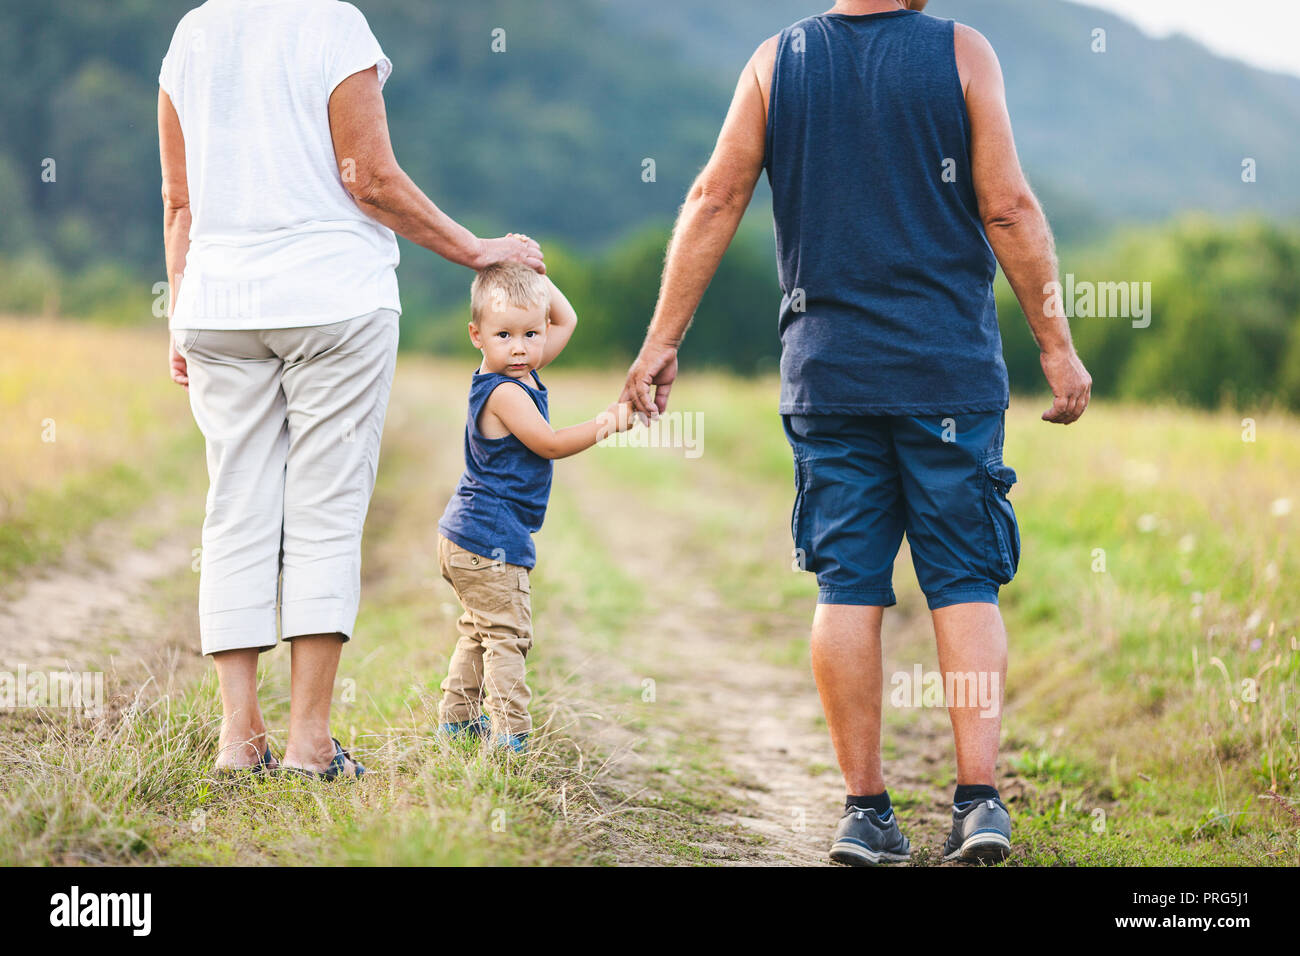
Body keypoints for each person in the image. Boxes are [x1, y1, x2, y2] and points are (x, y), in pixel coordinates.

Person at [620, 0, 1092, 864]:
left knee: (846, 584)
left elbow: (714, 196)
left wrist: (661, 341)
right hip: (947, 372)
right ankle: (980, 803)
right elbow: (1012, 209)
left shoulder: (776, 61)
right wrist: (1056, 345)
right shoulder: (962, 51)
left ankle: (864, 813)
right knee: (965, 582)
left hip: (828, 374)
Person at [158, 0, 543, 778]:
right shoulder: (333, 23)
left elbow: (180, 203)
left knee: (234, 507)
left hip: (217, 305)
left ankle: (239, 741)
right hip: (332, 299)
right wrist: (478, 251)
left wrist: (179, 308)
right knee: (325, 512)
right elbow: (367, 177)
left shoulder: (190, 37)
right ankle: (309, 745)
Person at [435, 263, 636, 752]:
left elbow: (566, 321)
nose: (521, 346)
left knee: (481, 631)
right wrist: (609, 422)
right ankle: (511, 735)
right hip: (489, 539)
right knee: (508, 636)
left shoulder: (519, 368)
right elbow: (548, 443)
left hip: (467, 537)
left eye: (531, 333)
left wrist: (532, 271)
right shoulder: (504, 390)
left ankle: (457, 721)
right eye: (504, 334)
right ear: (476, 335)